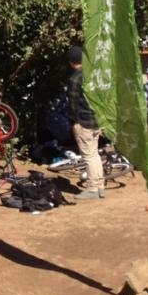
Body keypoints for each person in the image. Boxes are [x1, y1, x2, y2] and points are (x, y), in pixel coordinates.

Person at [66, 44, 104, 200]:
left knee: (88, 156)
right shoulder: (94, 75)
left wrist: (74, 121)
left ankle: (93, 189)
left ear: (71, 62)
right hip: (96, 121)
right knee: (95, 155)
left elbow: (73, 103)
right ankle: (100, 186)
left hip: (83, 122)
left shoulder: (75, 78)